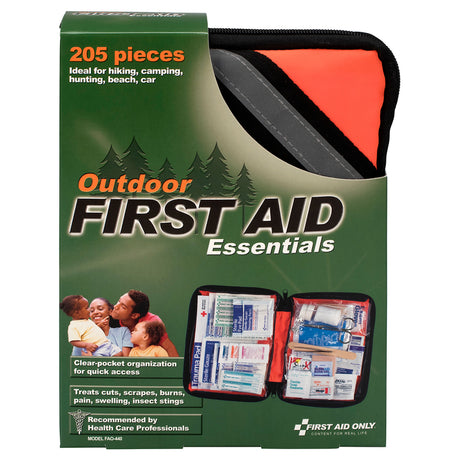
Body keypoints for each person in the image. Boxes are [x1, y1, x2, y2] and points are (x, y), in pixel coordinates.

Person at [111, 289, 179, 357]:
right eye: (119, 301)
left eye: (123, 307)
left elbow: (169, 348)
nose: (115, 306)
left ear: (134, 315)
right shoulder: (108, 319)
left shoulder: (151, 322)